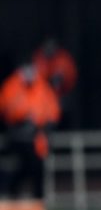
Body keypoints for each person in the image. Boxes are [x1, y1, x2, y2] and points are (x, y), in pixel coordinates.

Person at [0, 60, 60, 199]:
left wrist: (45, 124)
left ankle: (38, 199)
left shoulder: (42, 86)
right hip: (17, 136)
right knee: (20, 167)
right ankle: (11, 195)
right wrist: (22, 118)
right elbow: (6, 108)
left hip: (37, 137)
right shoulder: (11, 86)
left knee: (37, 168)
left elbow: (52, 109)